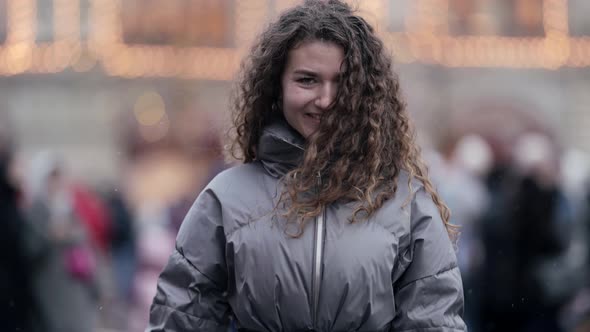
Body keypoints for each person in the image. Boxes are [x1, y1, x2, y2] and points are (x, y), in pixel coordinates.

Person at [147, 1, 465, 331]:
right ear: (278, 86)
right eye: (307, 80)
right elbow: (182, 317)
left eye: (342, 83)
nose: (326, 99)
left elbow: (432, 321)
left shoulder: (405, 203)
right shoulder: (227, 198)